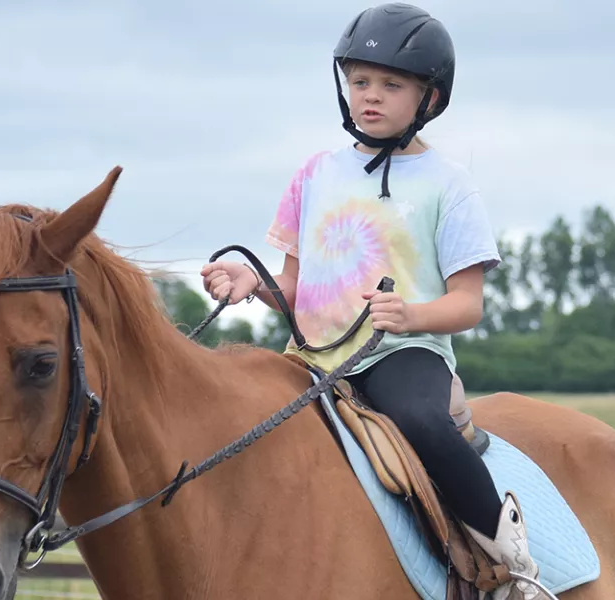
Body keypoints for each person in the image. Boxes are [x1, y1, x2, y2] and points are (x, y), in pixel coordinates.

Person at [200, 4, 543, 598]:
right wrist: (251, 283)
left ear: (428, 97)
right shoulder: (314, 176)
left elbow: (468, 304)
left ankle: (510, 563)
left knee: (419, 421)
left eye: (391, 84)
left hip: (402, 353)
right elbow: (295, 291)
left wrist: (410, 314)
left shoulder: (450, 185)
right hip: (309, 357)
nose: (371, 96)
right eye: (360, 81)